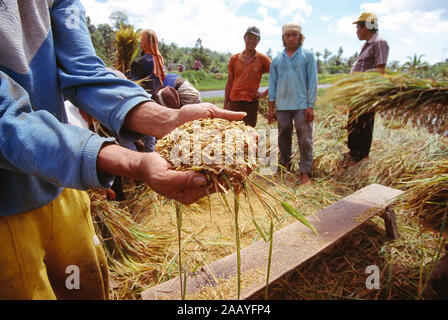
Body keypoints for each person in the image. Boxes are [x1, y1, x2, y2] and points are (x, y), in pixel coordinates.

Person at [0, 0, 246, 300]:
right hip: (8, 207)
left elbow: (83, 69)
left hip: (63, 181)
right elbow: (6, 120)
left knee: (84, 285)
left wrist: (166, 120)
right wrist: (134, 163)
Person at [268, 23, 317, 185]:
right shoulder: (277, 59)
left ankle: (305, 173)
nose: (290, 38)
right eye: (287, 35)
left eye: (294, 35)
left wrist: (311, 105)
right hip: (282, 106)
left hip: (302, 106)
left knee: (304, 139)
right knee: (283, 138)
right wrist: (271, 108)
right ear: (283, 38)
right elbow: (272, 84)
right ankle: (285, 166)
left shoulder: (307, 56)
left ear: (300, 37)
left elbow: (312, 82)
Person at [347, 12, 389, 164]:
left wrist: (372, 94)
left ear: (367, 27)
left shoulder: (379, 42)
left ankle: (361, 156)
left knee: (364, 124)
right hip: (357, 93)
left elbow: (380, 71)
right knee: (353, 123)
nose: (356, 30)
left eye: (358, 27)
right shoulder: (367, 45)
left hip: (366, 94)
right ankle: (353, 152)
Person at [224, 26, 271, 128]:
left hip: (251, 102)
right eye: (249, 38)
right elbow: (229, 82)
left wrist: (264, 93)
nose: (252, 41)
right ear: (244, 39)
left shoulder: (263, 59)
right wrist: (225, 105)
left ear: (258, 41)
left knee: (249, 131)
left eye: (255, 39)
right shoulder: (234, 58)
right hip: (234, 101)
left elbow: (277, 76)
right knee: (233, 130)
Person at [129, 29, 166, 94]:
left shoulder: (145, 60)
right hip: (155, 94)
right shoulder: (159, 59)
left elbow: (134, 82)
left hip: (145, 95)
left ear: (148, 43)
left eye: (142, 40)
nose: (140, 43)